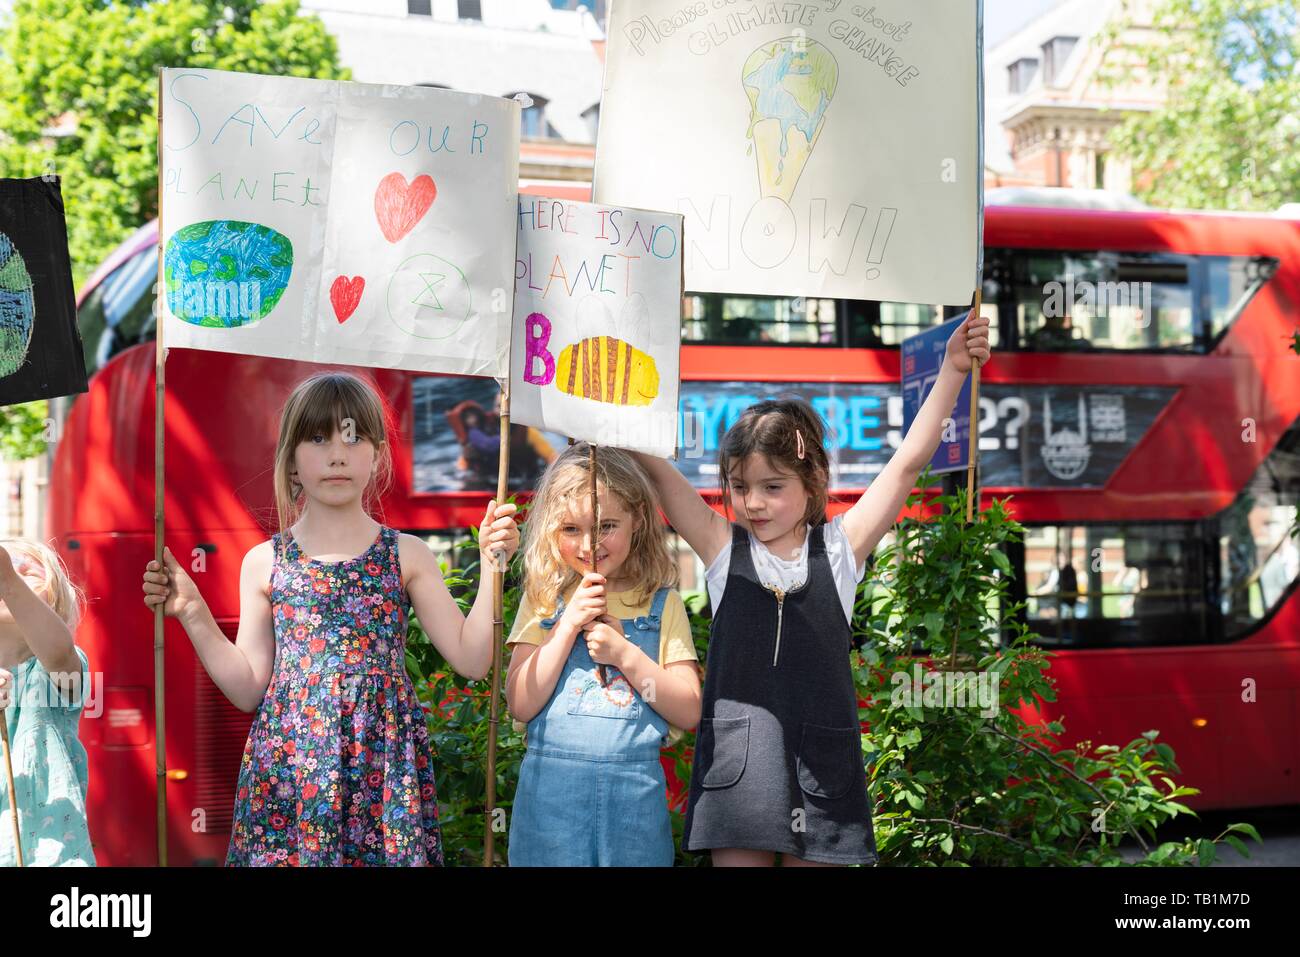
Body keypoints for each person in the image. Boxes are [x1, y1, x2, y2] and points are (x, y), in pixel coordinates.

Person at [632, 311, 991, 866]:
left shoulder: (842, 551)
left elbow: (906, 465)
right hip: (738, 772)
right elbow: (658, 471)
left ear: (814, 483)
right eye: (740, 487)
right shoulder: (721, 547)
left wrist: (952, 369)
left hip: (823, 769)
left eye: (772, 487)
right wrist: (606, 405)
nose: (753, 502)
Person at [142, 371, 519, 866]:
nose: (337, 454)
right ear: (292, 460)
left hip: (382, 769)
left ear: (377, 454)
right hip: (290, 771)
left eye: (353, 436)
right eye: (318, 438)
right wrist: (192, 611)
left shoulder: (407, 554)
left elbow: (472, 660)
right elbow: (248, 688)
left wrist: (493, 567)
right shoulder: (266, 561)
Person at [505, 442, 702, 866]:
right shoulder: (542, 600)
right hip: (550, 802)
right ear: (550, 530)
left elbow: (688, 711)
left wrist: (624, 654)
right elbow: (521, 702)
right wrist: (566, 626)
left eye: (607, 525)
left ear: (638, 521)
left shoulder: (660, 604)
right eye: (570, 529)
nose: (589, 544)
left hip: (634, 799)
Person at [0, 538, 94, 866]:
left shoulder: (56, 667)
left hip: (52, 858)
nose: (13, 572)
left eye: (27, 572)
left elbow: (57, 651)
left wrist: (9, 580)